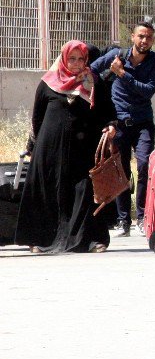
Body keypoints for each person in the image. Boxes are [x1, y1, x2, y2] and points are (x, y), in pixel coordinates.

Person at [15, 41, 118, 253]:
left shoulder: (94, 82)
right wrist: (32, 146)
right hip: (49, 149)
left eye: (81, 59)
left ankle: (88, 240)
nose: (77, 63)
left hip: (82, 149)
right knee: (48, 190)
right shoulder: (48, 83)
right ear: (63, 59)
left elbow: (107, 112)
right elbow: (37, 117)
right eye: (72, 59)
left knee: (84, 191)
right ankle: (41, 240)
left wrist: (110, 127)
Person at [90, 22, 155, 237]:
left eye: (149, 37)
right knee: (120, 172)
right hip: (119, 124)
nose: (144, 41)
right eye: (141, 36)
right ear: (132, 37)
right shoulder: (117, 54)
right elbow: (92, 69)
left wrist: (122, 74)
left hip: (142, 123)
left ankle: (142, 216)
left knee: (144, 166)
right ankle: (123, 221)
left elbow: (148, 91)